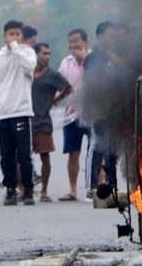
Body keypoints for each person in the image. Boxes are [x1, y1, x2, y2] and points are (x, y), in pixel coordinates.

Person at [0, 20, 37, 206]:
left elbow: (31, 67)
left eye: (17, 34)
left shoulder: (28, 53)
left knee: (24, 155)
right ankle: (10, 189)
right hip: (3, 113)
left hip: (21, 111)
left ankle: (28, 189)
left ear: (22, 36)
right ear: (4, 36)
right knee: (6, 155)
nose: (14, 37)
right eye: (10, 34)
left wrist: (16, 48)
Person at [84, 21, 120, 199]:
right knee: (97, 148)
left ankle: (111, 185)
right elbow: (92, 81)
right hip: (99, 109)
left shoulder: (116, 55)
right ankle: (91, 187)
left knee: (112, 150)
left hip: (114, 108)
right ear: (100, 36)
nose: (114, 39)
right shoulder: (94, 57)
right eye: (111, 36)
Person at [31, 42, 71, 202]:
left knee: (44, 156)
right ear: (35, 55)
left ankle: (44, 190)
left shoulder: (52, 75)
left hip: (43, 120)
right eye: (44, 54)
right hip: (25, 119)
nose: (47, 57)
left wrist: (57, 98)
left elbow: (68, 87)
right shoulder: (26, 71)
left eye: (49, 54)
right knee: (20, 157)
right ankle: (23, 188)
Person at [57, 28, 90, 201]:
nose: (73, 45)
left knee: (95, 151)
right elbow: (61, 84)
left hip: (92, 112)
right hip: (71, 114)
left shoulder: (93, 58)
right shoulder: (66, 63)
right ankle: (73, 190)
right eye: (70, 42)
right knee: (73, 153)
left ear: (85, 42)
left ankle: (96, 188)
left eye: (76, 41)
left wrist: (85, 59)